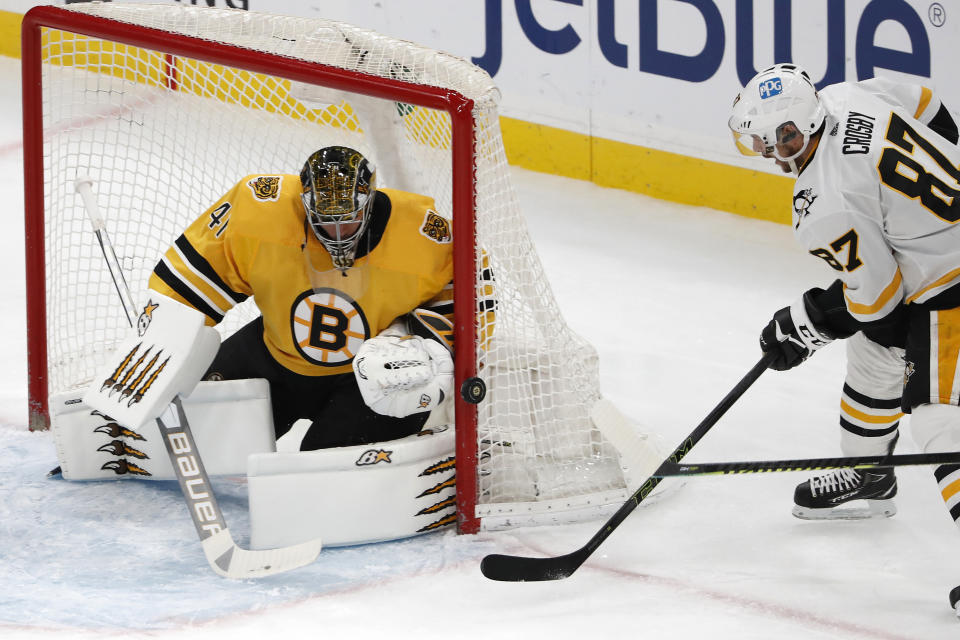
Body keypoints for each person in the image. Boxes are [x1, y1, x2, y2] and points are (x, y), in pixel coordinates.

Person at [729, 64, 960, 610]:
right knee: (876, 353)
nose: (765, 148)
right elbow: (925, 102)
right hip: (941, 256)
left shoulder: (822, 201)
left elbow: (877, 300)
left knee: (935, 415)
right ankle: (869, 474)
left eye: (773, 138)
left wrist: (811, 321)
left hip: (950, 283)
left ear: (798, 130)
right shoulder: (841, 96)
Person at [146, 145, 469, 451]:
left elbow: (467, 307)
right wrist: (166, 338)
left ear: (369, 202)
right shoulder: (260, 210)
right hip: (274, 353)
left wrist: (410, 339)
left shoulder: (426, 237)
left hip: (367, 385)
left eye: (348, 219)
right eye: (325, 219)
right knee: (191, 428)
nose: (337, 232)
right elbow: (189, 284)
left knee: (328, 471)